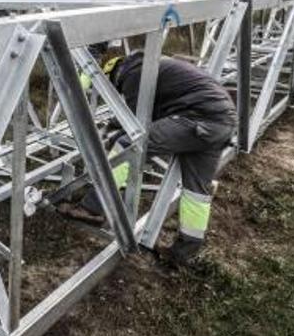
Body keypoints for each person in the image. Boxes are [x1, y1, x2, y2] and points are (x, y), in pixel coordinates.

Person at [64, 51, 237, 266]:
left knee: (128, 146)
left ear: (110, 74)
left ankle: (92, 207)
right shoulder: (152, 64)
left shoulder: (133, 74)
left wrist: (112, 133)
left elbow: (136, 121)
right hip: (221, 123)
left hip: (197, 119)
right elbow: (146, 112)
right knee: (196, 191)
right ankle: (185, 250)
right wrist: (115, 125)